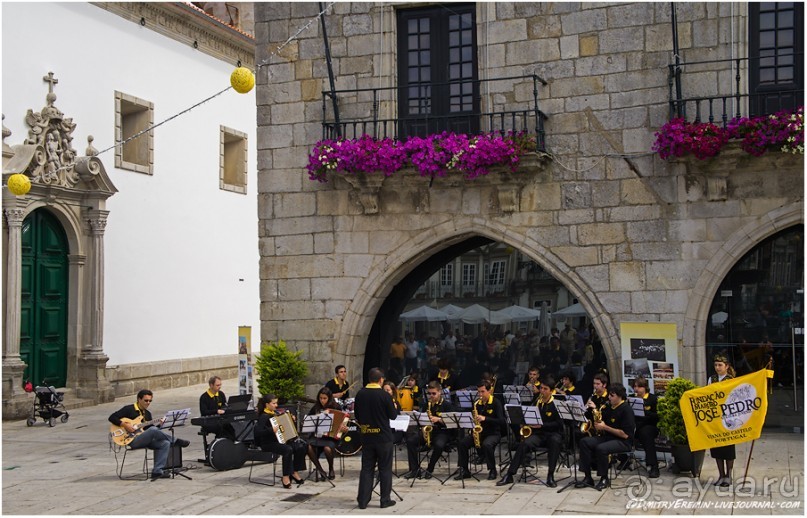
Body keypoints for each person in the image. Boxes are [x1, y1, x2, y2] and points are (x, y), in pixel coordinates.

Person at [108, 389, 190, 480]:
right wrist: (125, 425)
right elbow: (112, 417)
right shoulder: (129, 409)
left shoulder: (147, 414)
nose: (148, 403)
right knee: (153, 430)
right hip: (132, 440)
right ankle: (175, 441)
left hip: (145, 439)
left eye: (150, 401)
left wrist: (160, 425)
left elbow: (150, 430)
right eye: (146, 400)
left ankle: (157, 471)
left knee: (165, 443)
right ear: (139, 399)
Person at [497, 377, 563, 487]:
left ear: (551, 391)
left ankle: (550, 475)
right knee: (524, 444)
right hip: (540, 434)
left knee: (555, 443)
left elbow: (559, 424)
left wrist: (542, 425)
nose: (542, 391)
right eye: (541, 388)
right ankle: (510, 474)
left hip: (553, 434)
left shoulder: (556, 404)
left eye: (545, 389)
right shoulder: (538, 401)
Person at [575, 383, 635, 491]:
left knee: (601, 448)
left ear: (620, 396)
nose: (609, 397)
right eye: (609, 395)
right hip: (608, 437)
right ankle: (587, 477)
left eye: (612, 396)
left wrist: (605, 427)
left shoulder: (626, 410)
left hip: (623, 441)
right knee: (584, 442)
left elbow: (625, 434)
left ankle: (604, 478)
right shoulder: (608, 407)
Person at [354, 367, 398, 509]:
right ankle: (384, 500)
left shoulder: (360, 394)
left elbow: (358, 416)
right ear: (380, 380)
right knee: (385, 469)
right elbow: (393, 415)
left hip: (367, 436)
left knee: (367, 469)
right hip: (383, 437)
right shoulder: (384, 395)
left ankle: (363, 500)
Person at [404, 381, 455, 480]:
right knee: (410, 441)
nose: (431, 396)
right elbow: (421, 418)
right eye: (429, 393)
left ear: (439, 392)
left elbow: (452, 423)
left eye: (434, 393)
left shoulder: (447, 405)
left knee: (439, 445)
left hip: (442, 432)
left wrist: (439, 420)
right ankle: (415, 470)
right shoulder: (427, 404)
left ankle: (430, 468)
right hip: (429, 431)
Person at [254, 394, 306, 489]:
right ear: (267, 404)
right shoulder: (264, 416)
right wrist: (271, 430)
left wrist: (291, 420)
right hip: (268, 443)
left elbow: (283, 426)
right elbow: (257, 433)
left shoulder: (275, 413)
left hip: (279, 440)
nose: (276, 405)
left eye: (276, 403)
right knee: (287, 449)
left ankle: (294, 471)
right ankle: (285, 476)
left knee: (301, 447)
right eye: (273, 403)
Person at [455, 379, 504, 481]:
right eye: (479, 392)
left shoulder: (496, 402)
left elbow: (501, 421)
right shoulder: (477, 403)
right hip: (480, 432)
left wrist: (485, 418)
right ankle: (465, 470)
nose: (480, 394)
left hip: (493, 433)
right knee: (462, 443)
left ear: (489, 391)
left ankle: (492, 470)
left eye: (483, 391)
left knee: (487, 444)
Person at [709, 354, 736, 487]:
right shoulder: (711, 379)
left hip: (728, 417)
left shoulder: (731, 379)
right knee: (717, 449)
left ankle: (728, 476)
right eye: (716, 365)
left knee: (728, 449)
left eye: (720, 365)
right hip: (715, 418)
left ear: (727, 366)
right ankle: (721, 475)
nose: (717, 368)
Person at [306, 387, 344, 480]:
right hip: (318, 436)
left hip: (331, 437)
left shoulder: (336, 407)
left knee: (327, 448)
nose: (322, 400)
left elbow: (343, 422)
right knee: (309, 447)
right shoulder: (316, 407)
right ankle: (320, 470)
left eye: (324, 398)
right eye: (320, 398)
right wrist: (319, 416)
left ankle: (331, 469)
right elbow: (309, 420)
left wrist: (343, 428)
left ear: (329, 398)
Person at [625, 376, 660, 478]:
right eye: (635, 386)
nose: (636, 389)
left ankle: (653, 466)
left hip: (649, 426)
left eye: (639, 386)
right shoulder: (631, 398)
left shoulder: (652, 398)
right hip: (635, 426)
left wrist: (645, 412)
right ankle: (623, 459)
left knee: (646, 434)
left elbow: (657, 416)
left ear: (645, 387)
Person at [382, 381, 405, 445]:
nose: (385, 392)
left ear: (392, 391)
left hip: (394, 431)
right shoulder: (381, 403)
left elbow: (396, 419)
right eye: (384, 390)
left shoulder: (396, 403)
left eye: (388, 390)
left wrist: (393, 409)